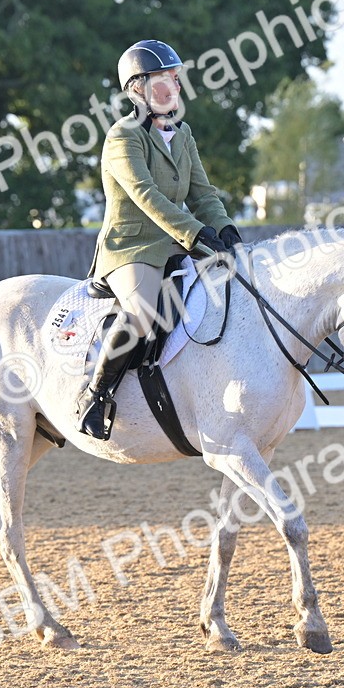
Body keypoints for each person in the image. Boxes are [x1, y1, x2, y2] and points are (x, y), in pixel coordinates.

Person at [76, 39, 244, 440]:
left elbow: (203, 195)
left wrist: (227, 232)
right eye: (163, 79)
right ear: (137, 89)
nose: (175, 86)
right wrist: (197, 235)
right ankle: (95, 396)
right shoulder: (123, 137)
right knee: (143, 310)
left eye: (175, 77)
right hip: (131, 248)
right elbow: (147, 196)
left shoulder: (183, 135)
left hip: (175, 243)